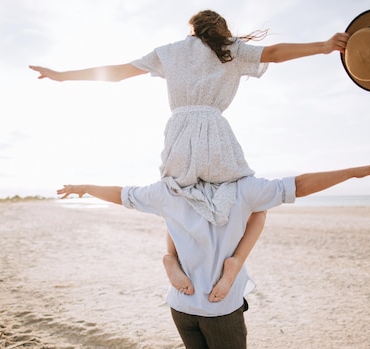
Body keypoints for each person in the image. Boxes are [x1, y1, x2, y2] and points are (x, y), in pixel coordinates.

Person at [30, 9, 350, 303]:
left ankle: (171, 259)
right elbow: (276, 54)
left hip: (180, 141)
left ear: (192, 30)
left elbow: (116, 73)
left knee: (175, 197)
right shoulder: (230, 49)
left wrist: (62, 76)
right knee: (252, 203)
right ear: (221, 29)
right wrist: (323, 46)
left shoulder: (169, 52)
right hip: (217, 141)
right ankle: (232, 264)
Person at [57, 163, 370, 349]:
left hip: (182, 304)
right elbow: (301, 184)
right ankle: (229, 265)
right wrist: (355, 172)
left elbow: (120, 194)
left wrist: (85, 186)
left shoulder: (168, 189)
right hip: (220, 307)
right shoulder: (244, 188)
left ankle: (171, 262)